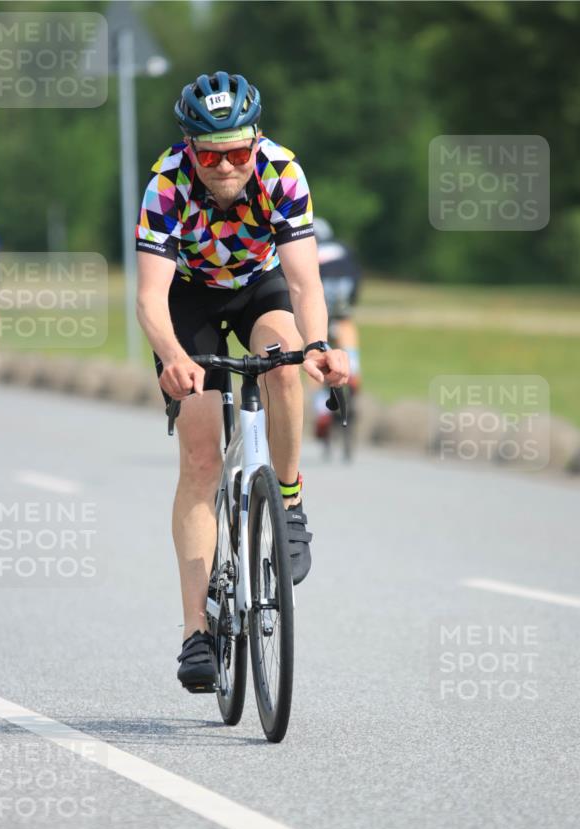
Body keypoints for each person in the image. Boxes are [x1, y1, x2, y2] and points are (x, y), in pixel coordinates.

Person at [135, 71, 349, 692]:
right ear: (190, 149)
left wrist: (318, 345)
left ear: (255, 141)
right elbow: (149, 298)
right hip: (188, 299)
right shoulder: (166, 184)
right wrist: (173, 357)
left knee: (284, 361)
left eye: (236, 152)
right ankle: (195, 632)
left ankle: (289, 502)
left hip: (260, 286)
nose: (225, 166)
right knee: (201, 457)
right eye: (210, 156)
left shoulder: (282, 173)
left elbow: (305, 282)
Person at [312, 217, 362, 440]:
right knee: (345, 323)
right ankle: (353, 369)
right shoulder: (342, 248)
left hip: (320, 293)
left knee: (312, 352)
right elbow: (357, 276)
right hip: (344, 291)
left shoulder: (304, 248)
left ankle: (321, 411)